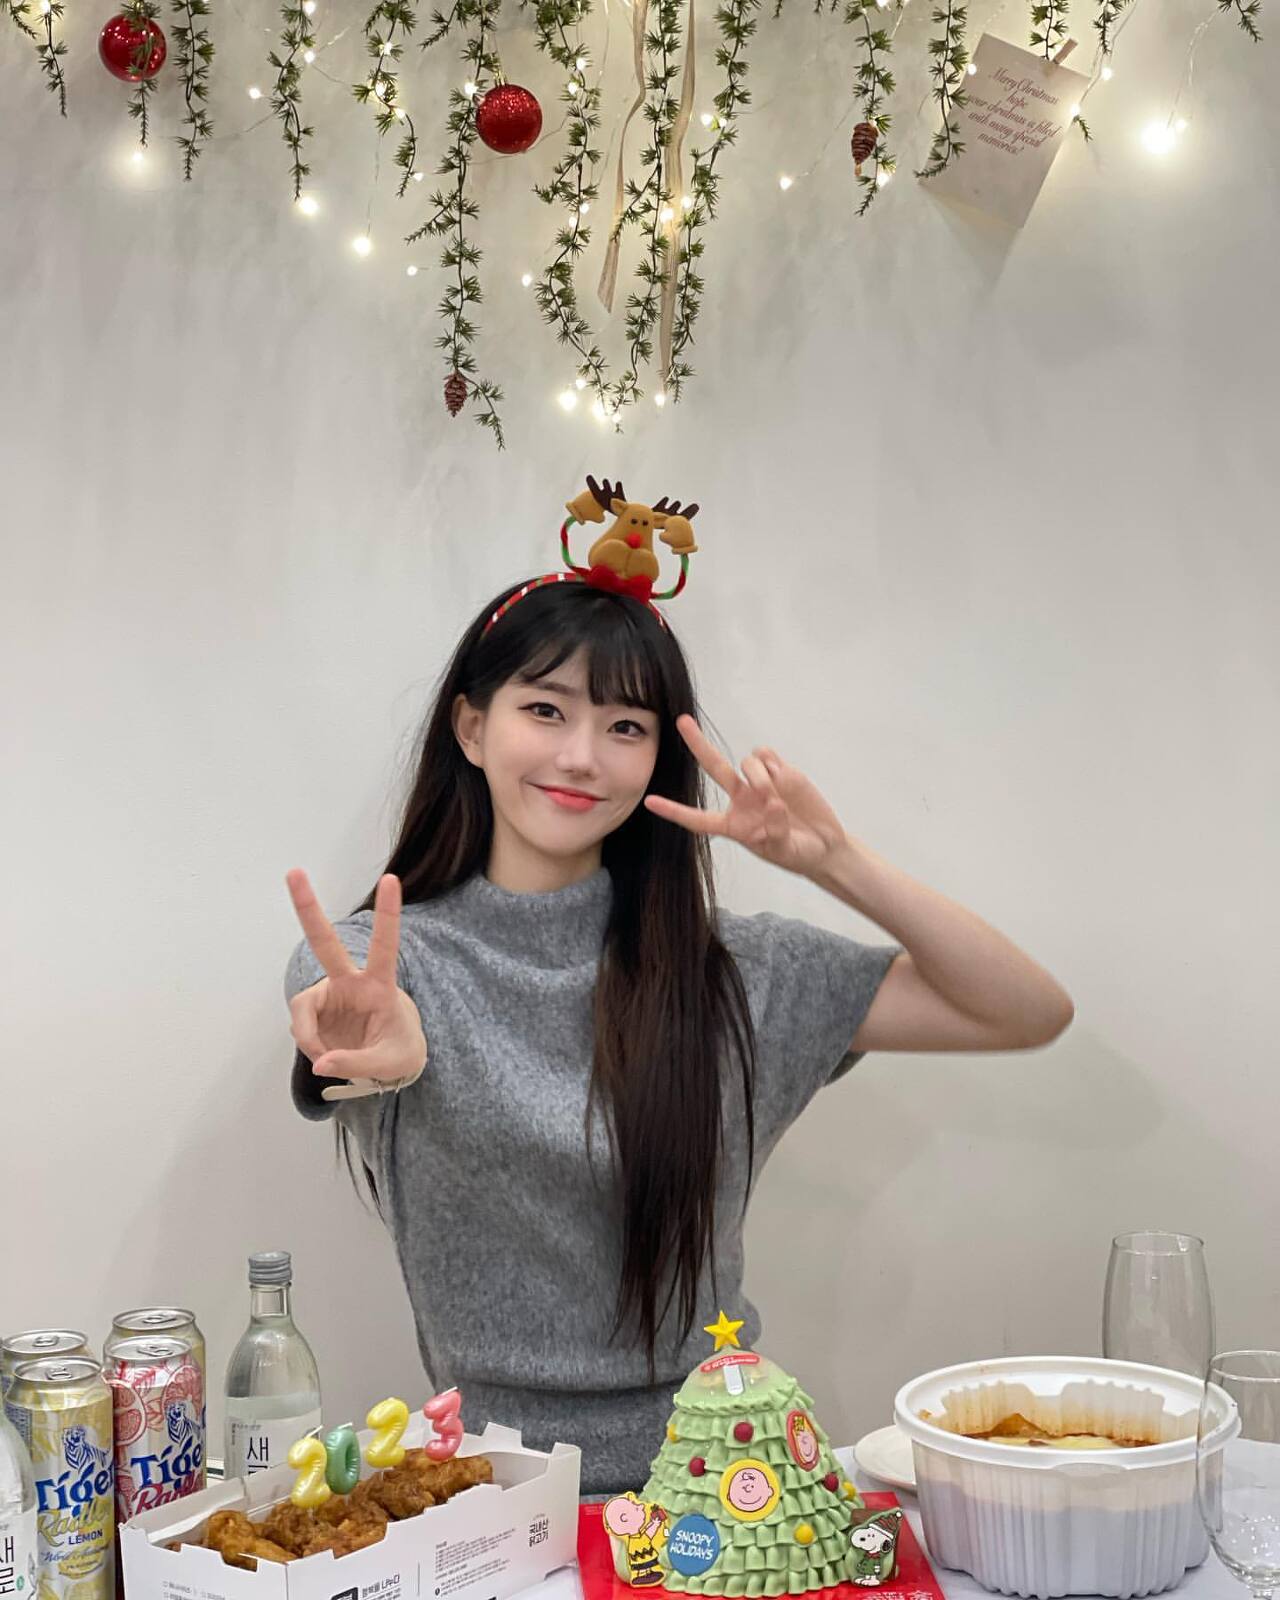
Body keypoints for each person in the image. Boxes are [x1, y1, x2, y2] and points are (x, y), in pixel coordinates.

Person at [284, 494, 1073, 1496]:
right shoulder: (385, 966)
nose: (581, 755)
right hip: (494, 1499)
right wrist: (376, 1053)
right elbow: (342, 1018)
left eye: (625, 725)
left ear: (658, 756)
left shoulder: (735, 972)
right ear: (471, 727)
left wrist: (833, 861)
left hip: (732, 1490)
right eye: (544, 710)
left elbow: (1025, 1010)